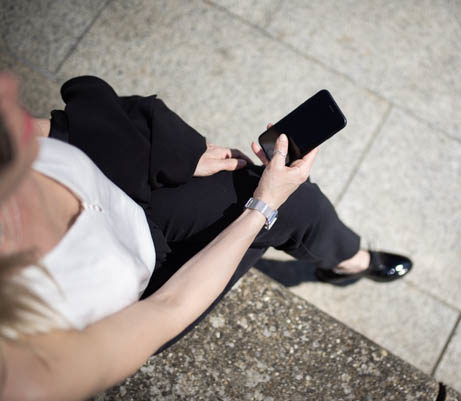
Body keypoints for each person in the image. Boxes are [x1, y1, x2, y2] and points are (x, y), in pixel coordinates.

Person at [0, 73, 412, 400]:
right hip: (151, 294)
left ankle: (347, 259)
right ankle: (352, 263)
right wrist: (262, 207)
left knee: (298, 200)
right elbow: (168, 309)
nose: (8, 85)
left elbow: (52, 131)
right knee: (281, 202)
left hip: (122, 198)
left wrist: (168, 155)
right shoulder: (23, 374)